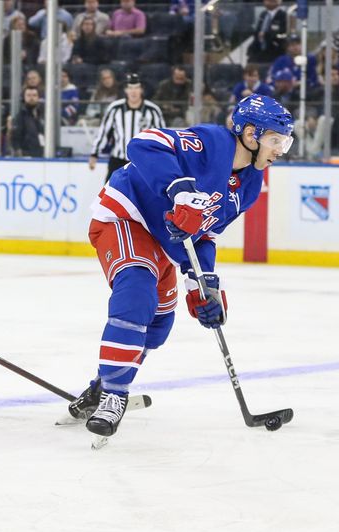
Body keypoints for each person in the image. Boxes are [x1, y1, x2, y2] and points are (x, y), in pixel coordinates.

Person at [61, 94, 294, 442]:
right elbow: (143, 143)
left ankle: (100, 385)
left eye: (284, 142)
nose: (280, 150)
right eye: (275, 140)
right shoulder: (211, 142)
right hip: (126, 215)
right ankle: (114, 394)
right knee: (137, 291)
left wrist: (204, 284)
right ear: (249, 133)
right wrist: (178, 189)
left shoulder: (249, 187)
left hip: (163, 240)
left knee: (158, 324)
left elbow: (206, 235)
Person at [89, 73, 165, 182]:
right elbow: (104, 132)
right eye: (130, 88)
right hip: (118, 160)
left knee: (143, 195)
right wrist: (94, 154)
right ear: (126, 90)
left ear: (141, 90)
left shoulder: (152, 110)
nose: (133, 91)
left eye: (136, 88)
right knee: (111, 194)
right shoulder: (115, 108)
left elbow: (162, 136)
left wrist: (162, 157)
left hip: (143, 161)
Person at [10, 86, 44, 157]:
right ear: (24, 98)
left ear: (38, 97)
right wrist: (20, 155)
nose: (31, 98)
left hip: (42, 154)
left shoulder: (43, 115)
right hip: (27, 155)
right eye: (28, 95)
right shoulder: (20, 116)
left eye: (34, 95)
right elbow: (15, 138)